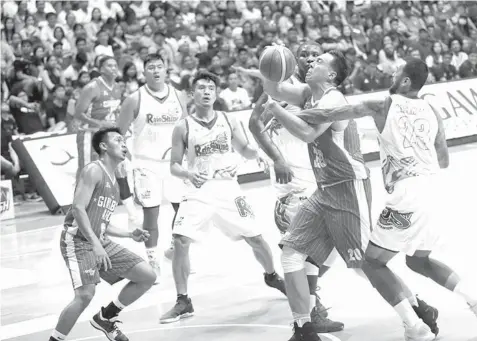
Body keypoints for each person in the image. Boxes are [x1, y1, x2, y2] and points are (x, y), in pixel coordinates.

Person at [295, 57, 477, 340]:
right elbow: (443, 159)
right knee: (419, 261)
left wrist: (293, 115)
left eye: (396, 73)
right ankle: (472, 297)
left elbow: (333, 114)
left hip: (407, 194)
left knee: (372, 262)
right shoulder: (432, 110)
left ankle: (413, 327)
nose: (391, 75)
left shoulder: (383, 104)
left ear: (405, 81)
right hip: (436, 191)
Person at [261, 51, 438, 341]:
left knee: (364, 264)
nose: (311, 62)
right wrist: (269, 62)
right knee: (292, 252)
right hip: (324, 190)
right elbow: (274, 88)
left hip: (347, 187)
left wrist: (276, 109)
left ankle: (416, 319)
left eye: (319, 61)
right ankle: (303, 328)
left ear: (331, 75)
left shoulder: (334, 100)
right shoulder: (307, 93)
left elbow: (307, 133)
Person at [159, 70, 286, 324]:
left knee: (257, 239)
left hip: (228, 189)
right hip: (197, 190)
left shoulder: (228, 120)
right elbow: (174, 165)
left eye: (210, 88)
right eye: (201, 88)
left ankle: (272, 275)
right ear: (191, 94)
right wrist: (187, 173)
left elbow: (245, 149)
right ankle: (183, 300)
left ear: (216, 94)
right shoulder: (183, 126)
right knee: (180, 240)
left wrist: (257, 154)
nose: (206, 92)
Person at [244, 42, 344, 334]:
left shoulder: (313, 93)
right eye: (305, 55)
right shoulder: (284, 89)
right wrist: (277, 159)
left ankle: (310, 309)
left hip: (320, 182)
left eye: (316, 55)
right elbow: (254, 123)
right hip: (293, 186)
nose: (310, 58)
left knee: (326, 250)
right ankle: (305, 320)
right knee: (297, 255)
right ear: (292, 59)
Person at [49, 127, 156, 341]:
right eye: (118, 140)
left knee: (147, 276)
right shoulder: (93, 170)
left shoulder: (114, 180)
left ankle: (105, 318)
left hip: (99, 240)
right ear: (103, 146)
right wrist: (96, 245)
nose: (124, 144)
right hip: (77, 240)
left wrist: (128, 234)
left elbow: (101, 223)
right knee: (85, 295)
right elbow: (78, 209)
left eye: (125, 141)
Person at [117, 53, 188, 282]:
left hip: (174, 162)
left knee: (183, 211)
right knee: (151, 215)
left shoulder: (179, 96)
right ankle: (153, 260)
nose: (156, 71)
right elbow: (118, 133)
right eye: (151, 68)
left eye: (159, 67)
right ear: (144, 72)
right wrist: (121, 158)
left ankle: (177, 251)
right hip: (146, 164)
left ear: (166, 70)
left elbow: (186, 129)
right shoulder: (134, 99)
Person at [74, 55, 139, 230]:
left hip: (107, 135)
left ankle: (132, 214)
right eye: (109, 65)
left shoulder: (117, 87)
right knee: (87, 172)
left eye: (115, 65)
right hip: (89, 134)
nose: (113, 68)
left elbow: (115, 110)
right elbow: (78, 113)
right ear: (101, 68)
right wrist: (100, 124)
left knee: (121, 169)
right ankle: (79, 217)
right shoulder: (92, 87)